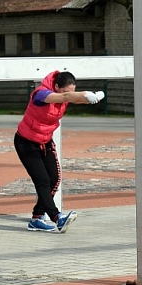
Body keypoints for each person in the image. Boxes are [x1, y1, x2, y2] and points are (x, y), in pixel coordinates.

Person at [15, 70, 105, 232]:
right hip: (26, 142)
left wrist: (92, 97)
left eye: (72, 91)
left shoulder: (65, 95)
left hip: (45, 141)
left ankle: (37, 218)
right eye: (65, 91)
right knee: (42, 180)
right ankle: (57, 218)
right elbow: (66, 97)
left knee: (54, 178)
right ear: (56, 86)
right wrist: (83, 94)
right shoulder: (41, 94)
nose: (68, 95)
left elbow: (70, 98)